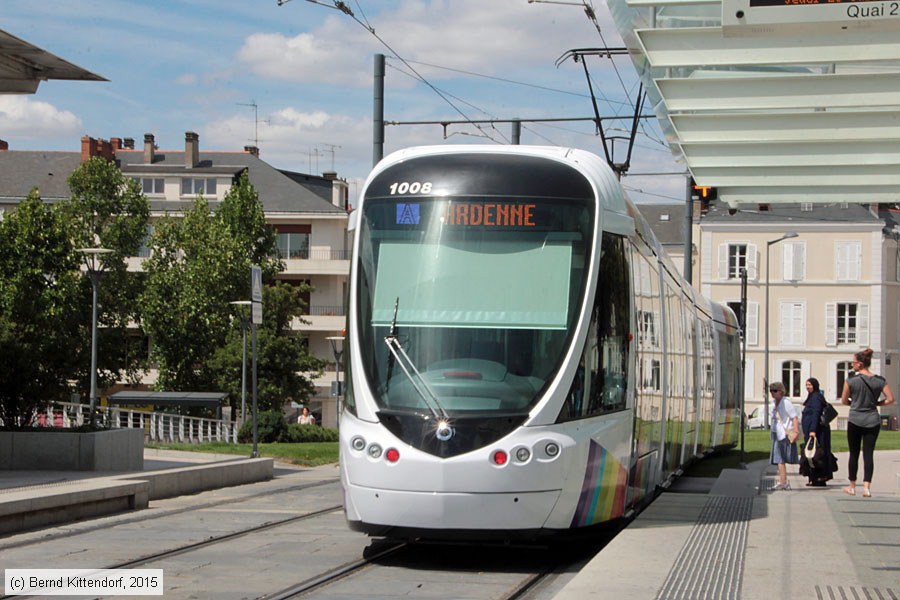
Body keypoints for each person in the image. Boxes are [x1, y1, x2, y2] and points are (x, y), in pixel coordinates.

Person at [840, 348, 896, 497]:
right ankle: (866, 487)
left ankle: (852, 486)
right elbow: (890, 399)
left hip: (855, 419)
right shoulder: (879, 380)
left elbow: (844, 400)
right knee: (868, 454)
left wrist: (855, 403)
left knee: (854, 453)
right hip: (872, 419)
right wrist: (877, 404)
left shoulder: (851, 381)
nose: (852, 365)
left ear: (859, 364)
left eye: (853, 363)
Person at [800, 377, 833, 487]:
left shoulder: (816, 397)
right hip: (812, 431)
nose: (807, 387)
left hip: (818, 432)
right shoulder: (812, 397)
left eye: (810, 385)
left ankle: (820, 477)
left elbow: (816, 413)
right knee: (811, 455)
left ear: (815, 385)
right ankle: (814, 478)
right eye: (806, 385)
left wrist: (813, 430)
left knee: (818, 454)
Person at [769, 381, 800, 490]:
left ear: (781, 391)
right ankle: (782, 481)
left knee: (780, 459)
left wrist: (796, 431)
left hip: (783, 434)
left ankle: (783, 482)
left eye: (775, 390)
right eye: (771, 391)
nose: (772, 393)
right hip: (776, 433)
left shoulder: (786, 402)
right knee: (779, 459)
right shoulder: (773, 403)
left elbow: (794, 417)